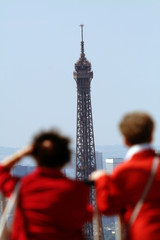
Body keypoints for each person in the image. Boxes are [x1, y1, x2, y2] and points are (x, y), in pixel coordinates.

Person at [0, 130, 93, 240]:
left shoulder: (22, 186)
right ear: (65, 158)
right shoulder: (77, 189)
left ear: (35, 157)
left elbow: (2, 171)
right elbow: (86, 215)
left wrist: (21, 153)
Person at [90, 111, 160, 240]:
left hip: (142, 234)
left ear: (125, 140)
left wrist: (102, 180)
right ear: (151, 137)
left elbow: (108, 208)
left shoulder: (124, 171)